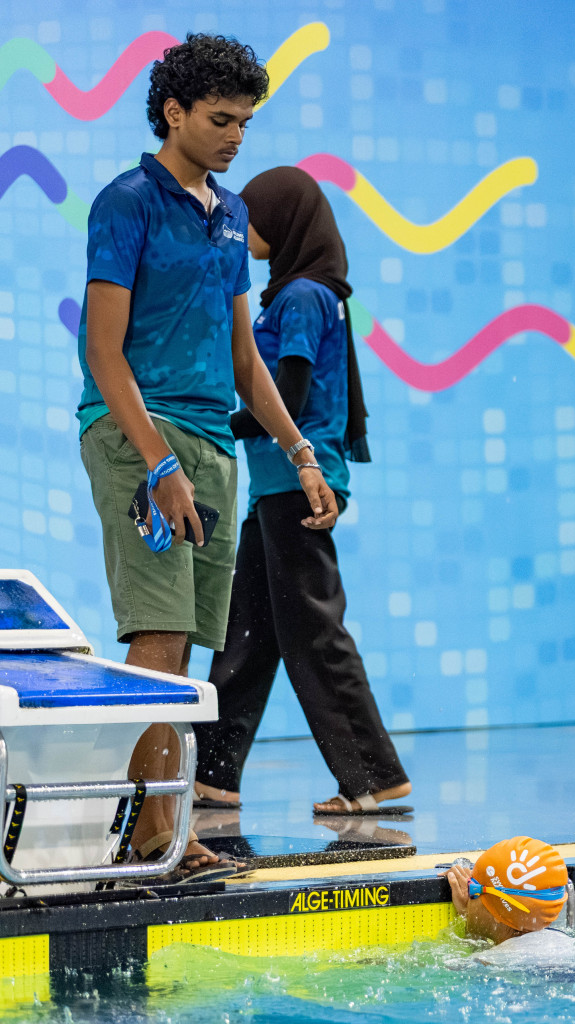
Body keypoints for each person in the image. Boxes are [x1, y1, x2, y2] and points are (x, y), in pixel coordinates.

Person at [77, 34, 338, 881]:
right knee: (158, 636)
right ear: (173, 112)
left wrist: (300, 452)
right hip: (136, 432)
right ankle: (157, 835)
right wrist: (158, 464)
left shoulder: (228, 216)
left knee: (186, 647)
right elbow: (103, 353)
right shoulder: (126, 204)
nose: (235, 136)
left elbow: (244, 360)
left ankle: (149, 831)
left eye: (245, 122)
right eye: (221, 119)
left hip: (212, 442)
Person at [192, 167, 411, 817]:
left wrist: (213, 426)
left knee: (314, 633)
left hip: (298, 487)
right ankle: (213, 774)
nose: (244, 230)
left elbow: (286, 395)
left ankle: (374, 777)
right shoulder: (291, 295)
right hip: (273, 490)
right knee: (247, 634)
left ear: (282, 222)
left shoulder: (302, 296)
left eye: (253, 218)